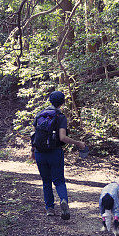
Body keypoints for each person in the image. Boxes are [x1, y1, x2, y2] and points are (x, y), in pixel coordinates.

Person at [30, 91, 86, 220]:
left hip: (40, 153)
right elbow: (62, 137)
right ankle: (63, 200)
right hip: (55, 152)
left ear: (49, 100)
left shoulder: (40, 115)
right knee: (59, 181)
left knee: (46, 181)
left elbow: (34, 136)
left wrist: (32, 152)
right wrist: (78, 143)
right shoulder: (60, 117)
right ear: (62, 102)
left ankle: (50, 208)